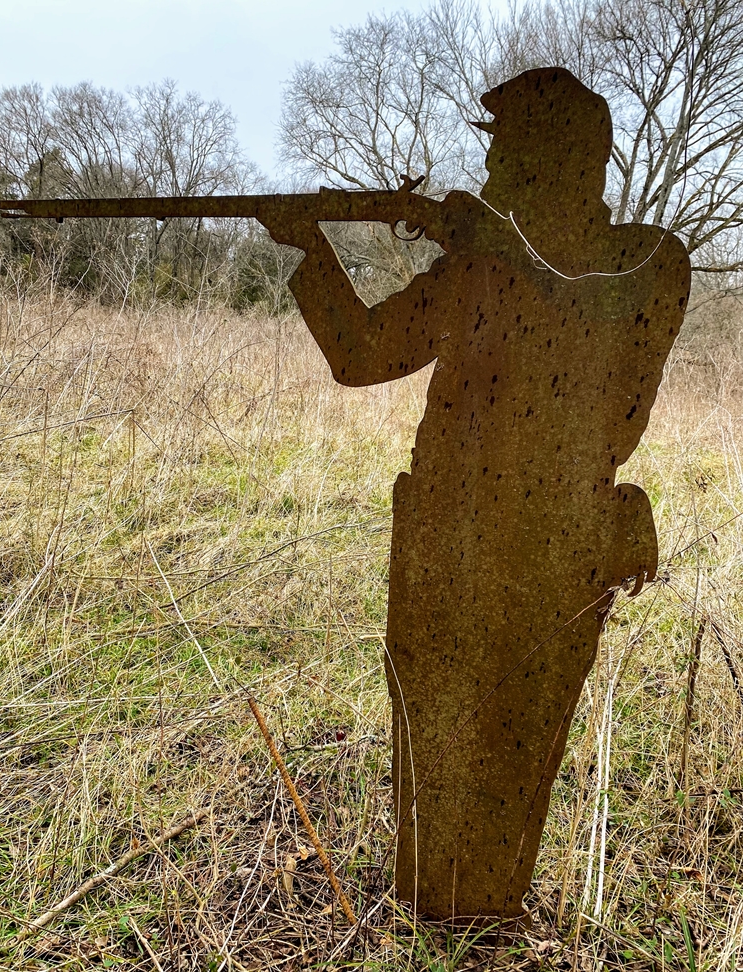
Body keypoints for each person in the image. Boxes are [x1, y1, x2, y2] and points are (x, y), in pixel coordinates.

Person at [264, 66, 690, 922]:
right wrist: (319, 247)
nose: (490, 177)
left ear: (554, 164)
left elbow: (364, 354)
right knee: (467, 741)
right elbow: (366, 354)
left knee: (486, 743)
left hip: (506, 545)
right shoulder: (507, 264)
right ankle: (449, 917)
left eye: (509, 160)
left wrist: (482, 250)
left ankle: (463, 918)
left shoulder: (624, 263)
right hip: (501, 540)